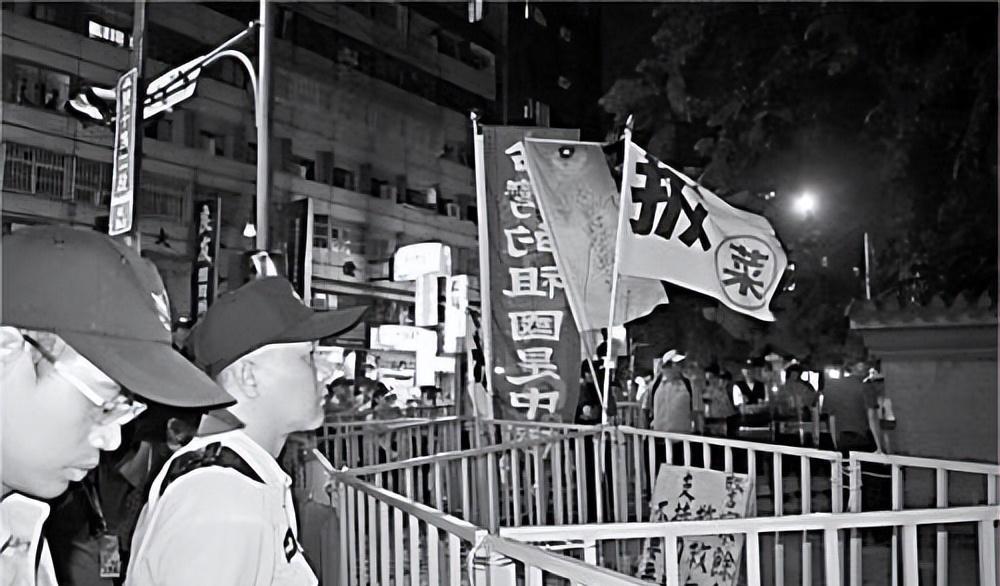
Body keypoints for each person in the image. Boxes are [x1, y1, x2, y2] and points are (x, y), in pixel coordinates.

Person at [1, 226, 234, 585]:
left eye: (127, 409)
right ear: (6, 350)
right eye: (105, 404)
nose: (112, 441)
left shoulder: (22, 533)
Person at [126, 277, 367, 585]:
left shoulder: (230, 476)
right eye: (308, 356)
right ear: (248, 376)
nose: (328, 372)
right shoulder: (221, 500)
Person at [645, 350, 693, 434]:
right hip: (659, 436)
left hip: (682, 437)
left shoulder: (687, 384)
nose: (681, 365)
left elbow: (693, 408)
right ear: (668, 365)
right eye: (677, 363)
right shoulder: (654, 385)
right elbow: (646, 408)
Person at [862, 367, 894, 453]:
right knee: (884, 429)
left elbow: (873, 416)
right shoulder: (883, 385)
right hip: (884, 405)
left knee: (877, 424)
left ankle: (881, 448)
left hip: (878, 405)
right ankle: (886, 450)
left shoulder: (869, 385)